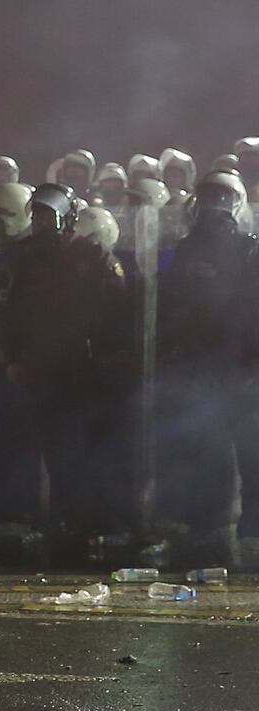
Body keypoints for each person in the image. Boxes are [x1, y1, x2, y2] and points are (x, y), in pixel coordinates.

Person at [5, 183, 130, 544]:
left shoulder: (92, 256)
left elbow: (116, 315)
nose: (43, 223)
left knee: (91, 449)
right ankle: (70, 520)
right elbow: (14, 313)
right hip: (44, 369)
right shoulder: (27, 257)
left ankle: (98, 522)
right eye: (38, 215)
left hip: (85, 370)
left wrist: (109, 362)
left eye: (50, 215)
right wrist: (14, 357)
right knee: (56, 450)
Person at [158, 170, 259, 565]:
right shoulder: (184, 251)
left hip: (241, 369)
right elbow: (167, 306)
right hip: (197, 369)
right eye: (210, 198)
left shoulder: (250, 250)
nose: (216, 208)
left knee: (249, 453)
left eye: (223, 199)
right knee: (203, 451)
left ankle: (251, 533)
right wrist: (171, 349)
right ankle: (207, 531)